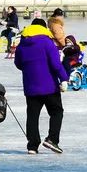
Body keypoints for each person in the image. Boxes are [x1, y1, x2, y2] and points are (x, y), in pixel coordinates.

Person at [14, 18, 69, 154]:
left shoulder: (22, 43)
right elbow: (56, 64)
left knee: (32, 116)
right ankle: (52, 139)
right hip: (49, 85)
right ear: (44, 28)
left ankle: (32, 146)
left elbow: (18, 63)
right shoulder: (47, 41)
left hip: (31, 86)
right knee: (56, 112)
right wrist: (64, 78)